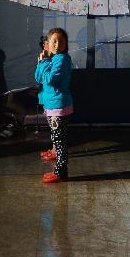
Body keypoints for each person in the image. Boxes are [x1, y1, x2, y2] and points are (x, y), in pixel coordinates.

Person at [35, 28, 73, 183]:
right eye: (54, 41)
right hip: (52, 105)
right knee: (57, 138)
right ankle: (59, 170)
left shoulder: (62, 59)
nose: (57, 45)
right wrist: (42, 62)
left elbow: (50, 79)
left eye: (61, 41)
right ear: (47, 44)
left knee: (60, 141)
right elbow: (38, 78)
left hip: (59, 106)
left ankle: (60, 172)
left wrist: (43, 62)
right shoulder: (52, 58)